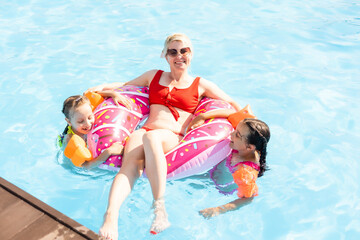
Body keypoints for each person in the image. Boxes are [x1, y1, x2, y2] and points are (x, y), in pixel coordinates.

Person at [86, 33, 242, 239]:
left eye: (183, 51)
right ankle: (111, 216)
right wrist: (104, 89)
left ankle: (159, 208)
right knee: (129, 164)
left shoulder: (201, 84)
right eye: (173, 51)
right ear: (165, 55)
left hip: (172, 136)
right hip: (146, 130)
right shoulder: (154, 75)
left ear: (191, 54)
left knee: (151, 139)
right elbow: (126, 85)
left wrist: (205, 115)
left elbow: (232, 105)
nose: (179, 56)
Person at [188, 109, 270, 218]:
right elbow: (231, 114)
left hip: (218, 184)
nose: (231, 133)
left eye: (237, 135)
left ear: (249, 147)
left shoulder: (244, 172)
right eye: (235, 130)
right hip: (217, 170)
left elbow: (248, 198)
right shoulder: (248, 130)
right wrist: (203, 116)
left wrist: (218, 210)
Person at [60, 94, 125, 169]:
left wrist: (113, 94)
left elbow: (98, 92)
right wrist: (109, 151)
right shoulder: (71, 140)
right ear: (69, 121)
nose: (88, 124)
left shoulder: (85, 111)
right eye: (81, 121)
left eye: (90, 117)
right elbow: (86, 166)